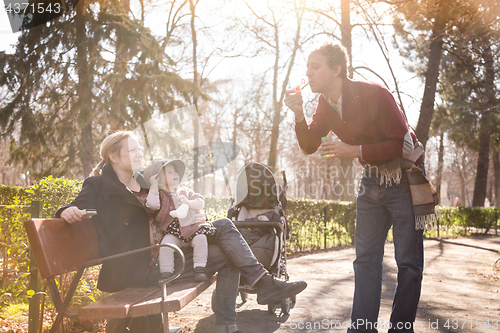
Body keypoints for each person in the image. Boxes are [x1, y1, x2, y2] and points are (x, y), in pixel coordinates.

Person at [56, 131, 307, 333]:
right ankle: (258, 291)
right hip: (140, 269)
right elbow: (77, 204)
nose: (139, 154)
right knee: (230, 246)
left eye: (139, 149)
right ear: (113, 156)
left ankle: (233, 317)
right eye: (132, 151)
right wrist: (66, 211)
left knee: (224, 228)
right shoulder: (100, 184)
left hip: (166, 255)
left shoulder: (145, 183)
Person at [284, 42, 424, 333]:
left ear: (336, 69)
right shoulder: (325, 104)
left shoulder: (373, 93)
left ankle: (401, 328)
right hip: (372, 179)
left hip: (404, 176)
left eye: (315, 66)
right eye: (307, 67)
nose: (308, 73)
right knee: (365, 260)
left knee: (408, 263)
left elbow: (399, 142)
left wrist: (354, 150)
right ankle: (362, 328)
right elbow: (310, 145)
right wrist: (299, 114)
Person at [144, 157, 214, 282]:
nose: (175, 174)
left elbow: (200, 202)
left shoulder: (185, 191)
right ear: (159, 181)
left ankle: (200, 268)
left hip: (192, 229)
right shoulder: (159, 194)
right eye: (169, 172)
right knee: (166, 245)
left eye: (175, 171)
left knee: (201, 239)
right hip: (173, 232)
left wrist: (190, 203)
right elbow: (152, 205)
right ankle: (166, 273)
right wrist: (154, 186)